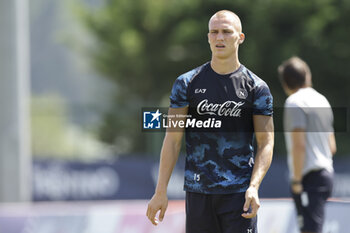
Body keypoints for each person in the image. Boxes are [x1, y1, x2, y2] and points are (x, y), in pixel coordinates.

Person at [146, 10, 274, 233]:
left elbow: (266, 143)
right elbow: (173, 139)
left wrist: (254, 187)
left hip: (239, 196)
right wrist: (160, 191)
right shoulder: (186, 83)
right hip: (198, 194)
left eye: (226, 32)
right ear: (208, 37)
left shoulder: (257, 88)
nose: (219, 38)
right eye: (214, 32)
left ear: (240, 37)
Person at [278, 56, 336, 233]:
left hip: (309, 178)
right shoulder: (322, 99)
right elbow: (332, 146)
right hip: (326, 174)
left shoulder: (295, 102)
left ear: (286, 83)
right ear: (307, 76)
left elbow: (299, 145)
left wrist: (296, 180)